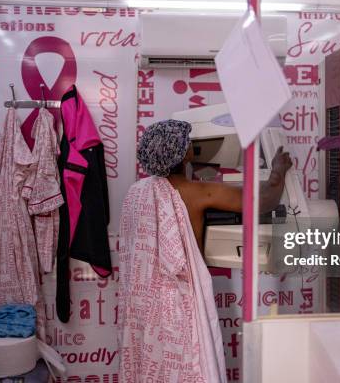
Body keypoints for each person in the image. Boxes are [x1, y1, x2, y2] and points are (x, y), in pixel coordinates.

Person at [116, 119, 292, 383]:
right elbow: (265, 201)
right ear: (183, 153)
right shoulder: (196, 191)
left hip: (142, 306)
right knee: (188, 368)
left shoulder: (136, 193)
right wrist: (278, 170)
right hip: (178, 304)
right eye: (188, 143)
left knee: (152, 370)